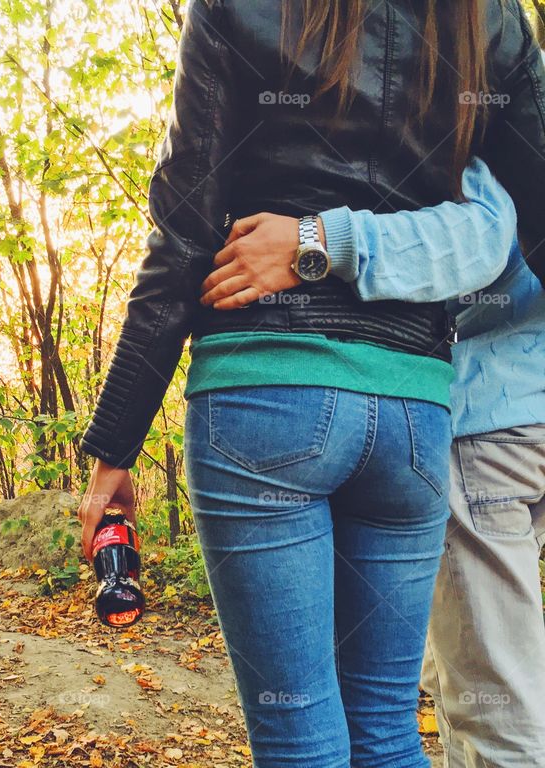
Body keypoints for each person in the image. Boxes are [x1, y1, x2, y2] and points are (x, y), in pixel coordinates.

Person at [77, 2, 545, 766]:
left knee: (300, 732)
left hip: (265, 398)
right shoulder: (488, 19)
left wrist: (114, 450)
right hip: (414, 414)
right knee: (388, 730)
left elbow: (184, 235)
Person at [209, 156, 545, 765]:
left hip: (486, 416)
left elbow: (483, 236)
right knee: (402, 714)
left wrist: (317, 239)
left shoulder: (491, 91)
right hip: (463, 418)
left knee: (490, 702)